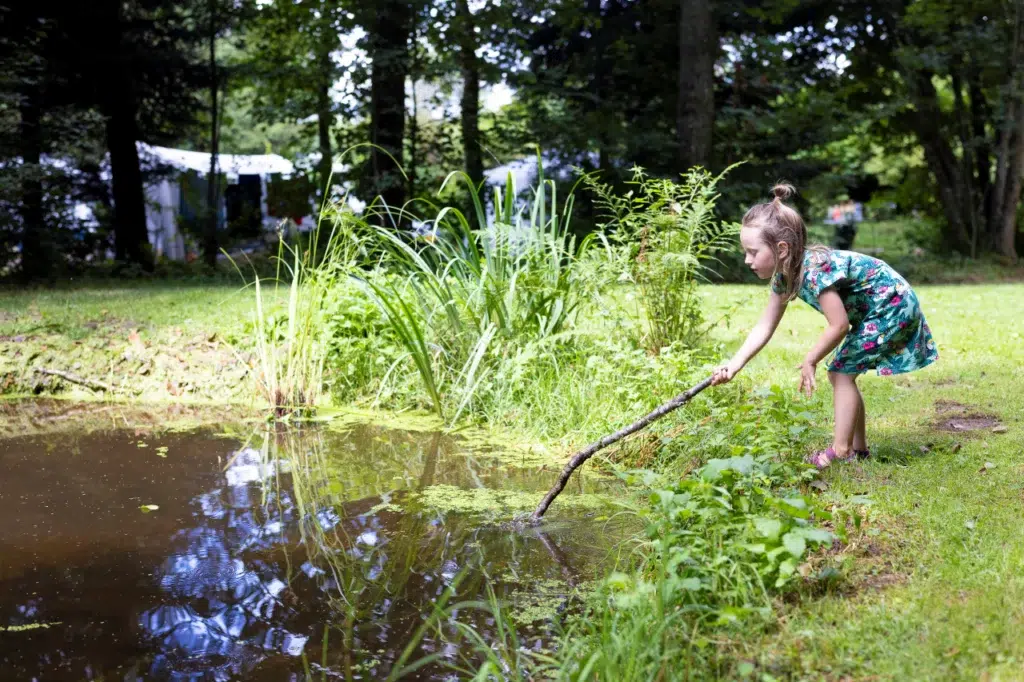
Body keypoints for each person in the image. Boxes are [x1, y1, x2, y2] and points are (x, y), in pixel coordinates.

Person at [711, 184, 938, 468]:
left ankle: (841, 451)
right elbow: (764, 326)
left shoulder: (814, 270)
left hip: (891, 303)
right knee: (844, 373)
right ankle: (858, 451)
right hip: (880, 306)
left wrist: (811, 358)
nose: (747, 260)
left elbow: (839, 324)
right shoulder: (784, 277)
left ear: (782, 249)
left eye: (753, 252)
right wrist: (734, 365)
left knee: (840, 374)